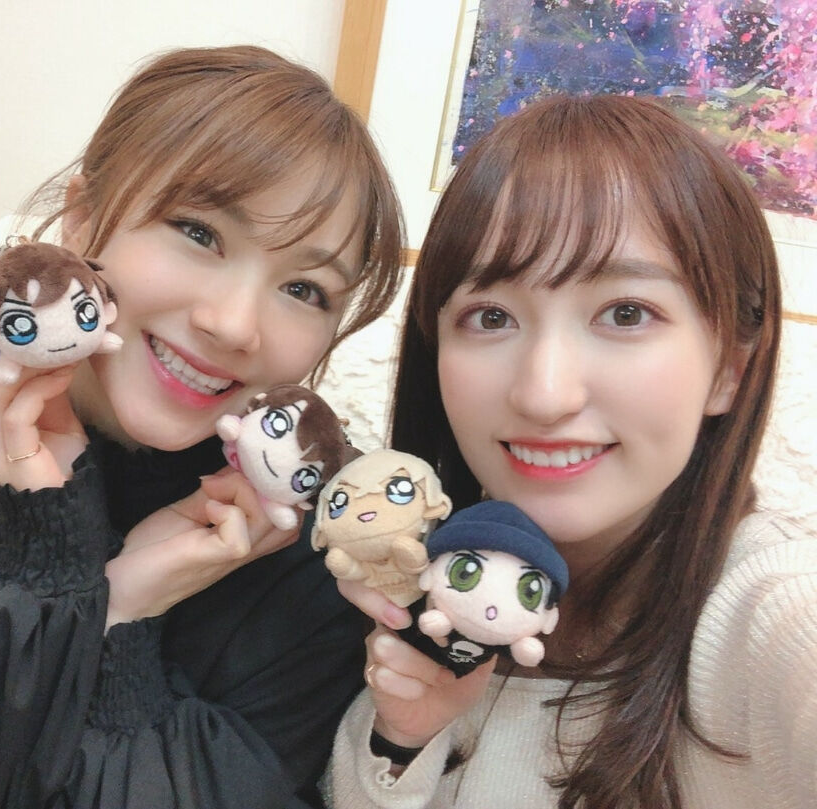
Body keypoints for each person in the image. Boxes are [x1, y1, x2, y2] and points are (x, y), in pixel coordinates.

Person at [0, 45, 405, 809]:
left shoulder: (317, 551)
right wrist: (74, 574)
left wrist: (120, 624)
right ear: (83, 216)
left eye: (304, 289)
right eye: (199, 232)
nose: (233, 324)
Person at [326, 93, 817, 808]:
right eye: (491, 316)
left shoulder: (772, 616)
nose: (544, 394)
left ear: (729, 368)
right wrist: (401, 740)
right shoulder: (408, 591)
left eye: (626, 312)